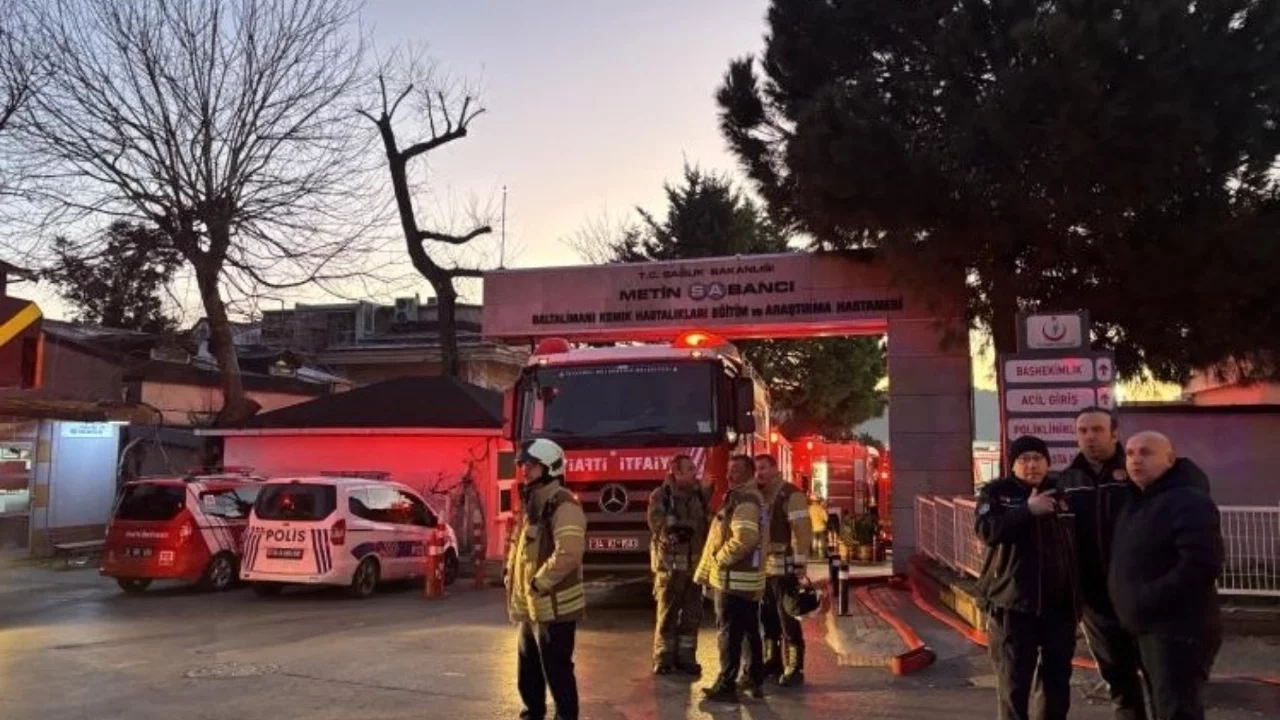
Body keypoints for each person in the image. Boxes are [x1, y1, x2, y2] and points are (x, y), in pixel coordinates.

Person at [1109, 431, 1221, 720]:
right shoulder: (1138, 501)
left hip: (1177, 631)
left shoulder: (1187, 501)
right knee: (1163, 708)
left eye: (1146, 453)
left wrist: (1147, 599)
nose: (1135, 460)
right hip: (1148, 628)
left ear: (1170, 459)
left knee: (1177, 710)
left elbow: (1201, 564)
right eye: (1131, 453)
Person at [974, 435, 1080, 720]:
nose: (1031, 465)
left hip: (1060, 607)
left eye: (1037, 458)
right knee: (1014, 684)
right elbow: (987, 531)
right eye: (1024, 460)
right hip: (1013, 606)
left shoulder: (1064, 491)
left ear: (1047, 462)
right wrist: (1026, 512)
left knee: (1056, 684)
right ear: (1013, 464)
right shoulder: (996, 493)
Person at [1061, 407, 1146, 720]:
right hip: (1094, 601)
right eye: (1083, 431)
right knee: (1119, 681)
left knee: (1159, 678)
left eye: (1097, 430)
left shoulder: (1136, 475)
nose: (1090, 437)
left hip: (1139, 595)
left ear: (1114, 434)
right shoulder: (1066, 481)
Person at [505, 439, 588, 720]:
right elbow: (519, 548)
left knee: (558, 671)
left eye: (531, 465)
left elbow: (569, 553)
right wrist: (510, 574)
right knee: (528, 668)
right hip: (532, 605)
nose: (524, 471)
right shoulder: (533, 503)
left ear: (550, 467)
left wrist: (539, 583)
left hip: (555, 607)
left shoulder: (563, 505)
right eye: (523, 465)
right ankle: (533, 713)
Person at [694, 454, 766, 704]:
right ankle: (753, 678)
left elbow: (745, 538)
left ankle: (727, 685)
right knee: (748, 632)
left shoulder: (745, 501)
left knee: (729, 635)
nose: (729, 474)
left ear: (749, 473)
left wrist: (719, 559)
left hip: (733, 581)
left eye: (736, 470)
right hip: (743, 581)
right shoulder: (743, 497)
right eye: (729, 469)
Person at [647, 454, 712, 676]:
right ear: (677, 472)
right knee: (667, 614)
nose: (695, 472)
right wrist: (679, 528)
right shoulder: (661, 496)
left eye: (694, 467)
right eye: (690, 468)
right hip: (670, 566)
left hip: (694, 568)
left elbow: (707, 524)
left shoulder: (699, 496)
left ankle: (686, 658)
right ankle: (663, 659)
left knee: (692, 615)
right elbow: (657, 524)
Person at [755, 453, 814, 687]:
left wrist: (800, 563)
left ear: (774, 469)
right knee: (767, 618)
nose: (758, 473)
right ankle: (772, 661)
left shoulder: (791, 494)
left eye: (763, 468)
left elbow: (802, 531)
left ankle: (795, 666)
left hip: (785, 569)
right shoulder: (758, 495)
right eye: (756, 469)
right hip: (764, 571)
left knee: (788, 618)